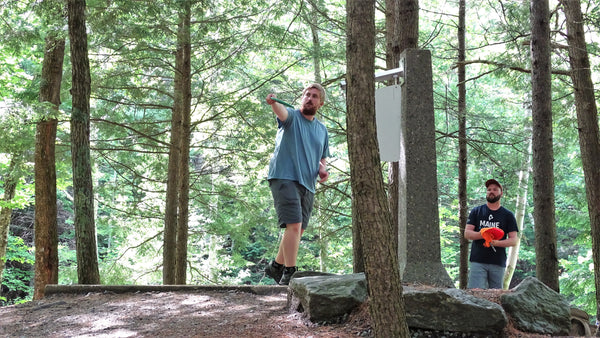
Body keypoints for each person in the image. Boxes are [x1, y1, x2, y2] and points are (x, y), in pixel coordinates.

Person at [263, 83, 330, 285]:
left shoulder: (322, 130)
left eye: (315, 96)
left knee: (297, 230)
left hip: (308, 183)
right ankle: (289, 273)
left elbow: (322, 159)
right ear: (302, 98)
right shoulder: (291, 118)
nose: (310, 98)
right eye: (307, 95)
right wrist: (273, 102)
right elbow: (281, 112)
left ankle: (275, 267)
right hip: (285, 176)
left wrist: (322, 169)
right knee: (294, 225)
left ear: (321, 103)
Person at [464, 179, 518, 289]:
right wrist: (483, 234)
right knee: (475, 293)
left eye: (495, 189)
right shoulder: (476, 211)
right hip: (477, 260)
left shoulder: (508, 215)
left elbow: (514, 240)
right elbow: (467, 233)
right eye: (488, 190)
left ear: (501, 193)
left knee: (496, 295)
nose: (491, 192)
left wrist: (496, 242)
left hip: (497, 262)